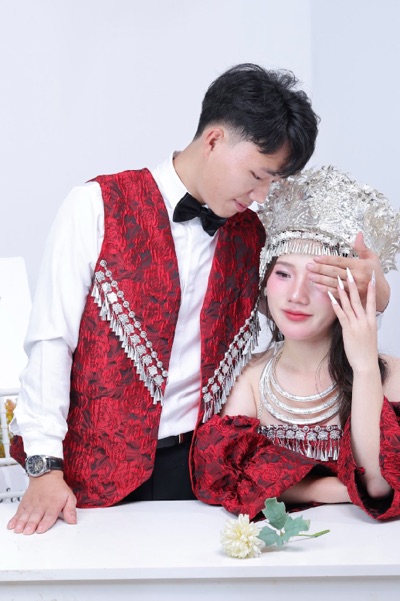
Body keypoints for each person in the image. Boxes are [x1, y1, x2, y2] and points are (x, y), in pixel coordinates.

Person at [7, 64, 388, 536]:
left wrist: (378, 289)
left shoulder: (254, 235)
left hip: (200, 480)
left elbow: (303, 304)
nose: (261, 196)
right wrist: (45, 467)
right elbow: (51, 341)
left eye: (272, 183)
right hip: (85, 477)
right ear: (213, 140)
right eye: (257, 175)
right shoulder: (95, 205)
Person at [191, 165, 400, 521]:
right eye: (284, 274)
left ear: (347, 289)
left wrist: (365, 367)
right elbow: (224, 474)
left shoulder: (387, 374)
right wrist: (330, 489)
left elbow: (380, 485)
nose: (296, 296)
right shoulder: (250, 379)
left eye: (318, 279)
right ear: (264, 281)